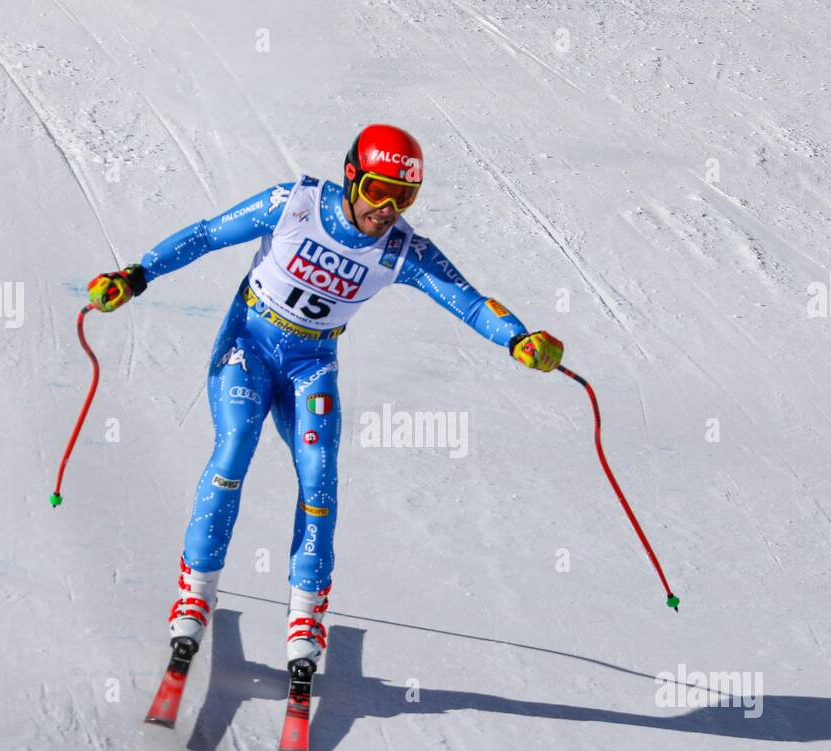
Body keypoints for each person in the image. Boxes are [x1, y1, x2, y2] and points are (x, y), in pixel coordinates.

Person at [87, 124, 563, 679]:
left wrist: (519, 338)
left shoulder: (402, 251)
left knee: (319, 478)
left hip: (311, 364)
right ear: (351, 176)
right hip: (249, 346)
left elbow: (471, 302)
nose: (387, 209)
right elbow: (207, 234)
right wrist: (135, 275)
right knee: (235, 448)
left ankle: (306, 616)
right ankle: (195, 594)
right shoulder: (294, 205)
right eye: (379, 191)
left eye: (404, 197)